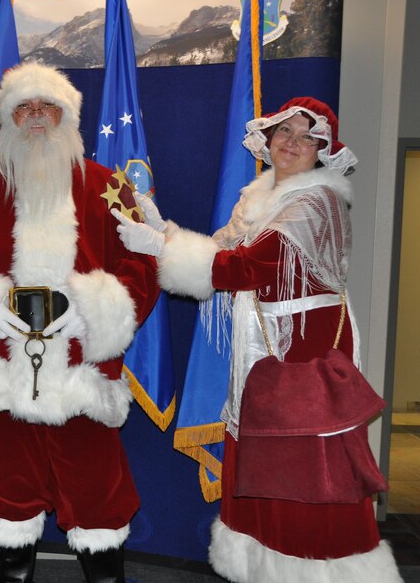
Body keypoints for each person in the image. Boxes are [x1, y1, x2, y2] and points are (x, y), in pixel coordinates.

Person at [113, 97, 402, 582]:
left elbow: (245, 267)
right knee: (267, 459)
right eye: (284, 132)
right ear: (267, 139)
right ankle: (267, 565)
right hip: (268, 349)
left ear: (322, 150)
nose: (292, 143)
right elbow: (222, 249)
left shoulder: (316, 201)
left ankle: (319, 571)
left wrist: (159, 247)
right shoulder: (260, 195)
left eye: (306, 137)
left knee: (305, 466)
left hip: (304, 352)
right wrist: (161, 226)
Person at [0, 63, 159, 583]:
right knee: (8, 497)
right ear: (6, 118)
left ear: (66, 116)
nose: (35, 118)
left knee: (99, 498)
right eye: (23, 108)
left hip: (83, 376)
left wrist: (91, 312)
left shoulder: (107, 187)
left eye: (46, 107)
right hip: (4, 373)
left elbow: (141, 267)